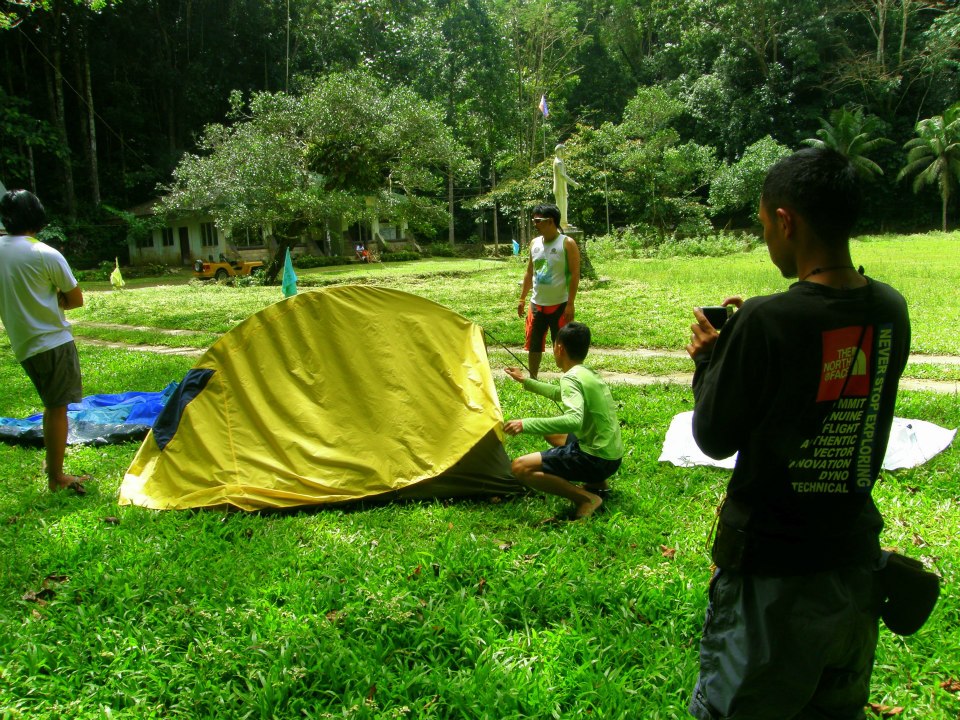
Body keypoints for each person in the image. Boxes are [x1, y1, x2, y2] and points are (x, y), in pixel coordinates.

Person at [685, 148, 911, 719]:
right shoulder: (891, 308)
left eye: (764, 225)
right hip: (853, 569)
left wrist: (712, 361)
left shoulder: (766, 319)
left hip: (772, 576)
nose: (767, 239)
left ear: (786, 221)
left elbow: (714, 436)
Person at [0, 190, 88, 495]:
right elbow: (76, 299)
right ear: (37, 215)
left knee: (52, 407)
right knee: (57, 408)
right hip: (52, 342)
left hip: (23, 344)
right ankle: (56, 478)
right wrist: (54, 297)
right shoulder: (45, 253)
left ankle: (53, 466)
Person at [503, 321, 623, 521]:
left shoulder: (570, 378)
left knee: (520, 467)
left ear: (559, 348)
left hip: (596, 459)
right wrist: (525, 381)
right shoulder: (587, 373)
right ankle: (598, 484)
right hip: (612, 455)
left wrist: (526, 424)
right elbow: (560, 393)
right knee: (551, 433)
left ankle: (587, 498)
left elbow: (574, 420)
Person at [516, 203, 581, 379]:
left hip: (560, 304)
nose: (534, 224)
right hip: (537, 304)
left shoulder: (567, 243)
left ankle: (569, 378)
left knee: (562, 345)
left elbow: (575, 274)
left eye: (537, 220)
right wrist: (522, 299)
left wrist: (570, 303)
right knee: (533, 344)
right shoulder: (534, 243)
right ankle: (533, 378)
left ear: (550, 221)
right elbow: (530, 271)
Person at [552, 143, 579, 229]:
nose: (563, 152)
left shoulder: (560, 161)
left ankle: (564, 223)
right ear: (557, 151)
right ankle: (560, 223)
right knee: (560, 205)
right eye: (561, 150)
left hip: (562, 187)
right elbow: (562, 175)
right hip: (559, 187)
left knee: (564, 205)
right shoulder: (558, 162)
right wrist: (573, 183)